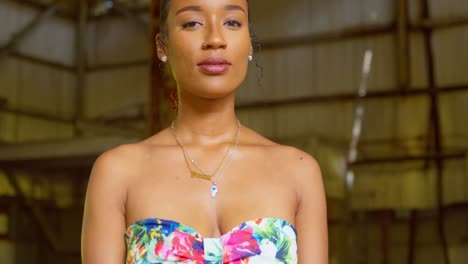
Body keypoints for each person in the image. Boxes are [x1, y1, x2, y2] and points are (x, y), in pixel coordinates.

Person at [81, 0, 328, 263]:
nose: (215, 39)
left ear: (249, 42)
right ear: (162, 45)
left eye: (232, 22)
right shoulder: (117, 173)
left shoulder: (299, 172)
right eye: (192, 23)